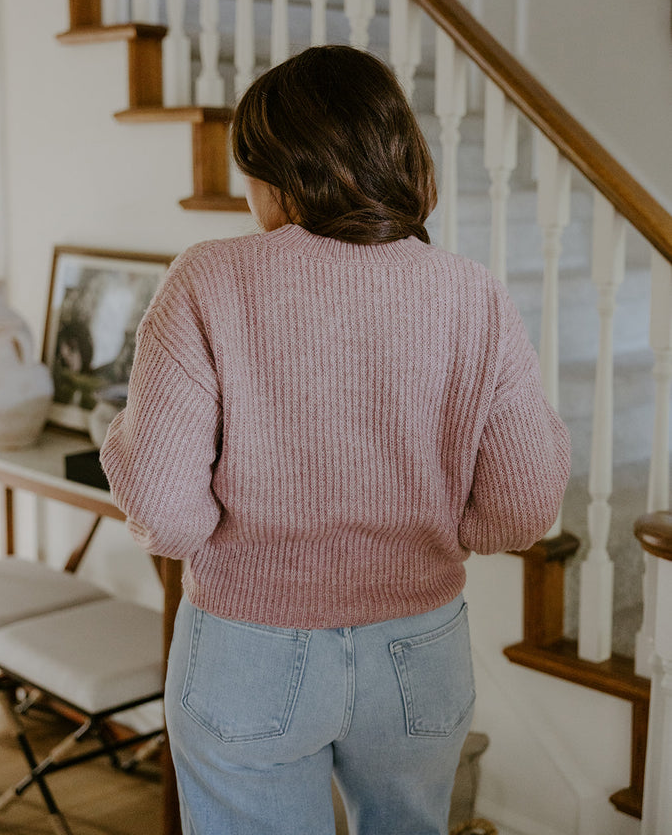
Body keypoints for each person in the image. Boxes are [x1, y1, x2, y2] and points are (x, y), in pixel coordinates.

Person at [101, 45, 571, 835]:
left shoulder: (210, 278)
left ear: (274, 179)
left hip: (249, 648)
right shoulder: (469, 292)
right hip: (418, 648)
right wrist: (431, 524)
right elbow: (522, 510)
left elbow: (167, 517)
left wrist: (123, 434)